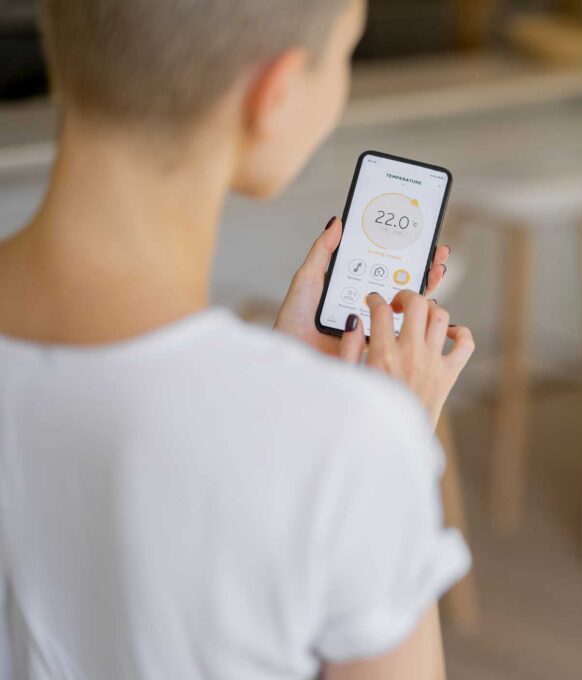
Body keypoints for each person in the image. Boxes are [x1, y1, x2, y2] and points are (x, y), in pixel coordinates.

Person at [0, 1, 475, 678]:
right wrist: (395, 435)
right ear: (274, 96)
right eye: (345, 55)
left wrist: (281, 376)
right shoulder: (356, 444)